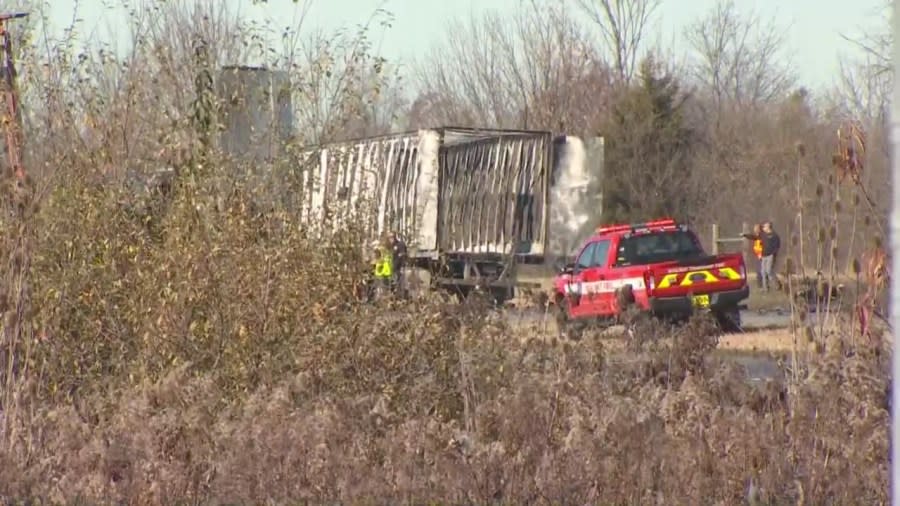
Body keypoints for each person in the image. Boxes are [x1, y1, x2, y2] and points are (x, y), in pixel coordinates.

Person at [759, 221, 781, 292]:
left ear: (768, 227)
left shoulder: (774, 236)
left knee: (769, 271)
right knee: (763, 272)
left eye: (764, 226)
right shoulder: (763, 235)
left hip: (770, 256)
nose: (763, 228)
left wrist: (773, 254)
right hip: (763, 255)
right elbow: (756, 239)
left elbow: (777, 246)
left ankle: (777, 284)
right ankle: (765, 288)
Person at [741, 224, 765, 288]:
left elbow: (754, 237)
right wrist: (745, 235)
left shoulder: (761, 236)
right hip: (758, 255)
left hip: (761, 255)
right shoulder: (757, 236)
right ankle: (760, 285)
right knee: (759, 271)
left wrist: (761, 254)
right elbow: (752, 237)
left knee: (761, 271)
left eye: (756, 228)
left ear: (759, 229)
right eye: (754, 228)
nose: (754, 230)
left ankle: (762, 285)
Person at [387, 230, 408, 296]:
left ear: (395, 237)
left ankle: (401, 296)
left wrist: (402, 266)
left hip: (399, 268)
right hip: (393, 268)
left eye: (392, 237)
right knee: (393, 283)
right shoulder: (391, 247)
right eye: (389, 238)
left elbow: (403, 256)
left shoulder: (400, 244)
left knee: (400, 283)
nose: (390, 239)